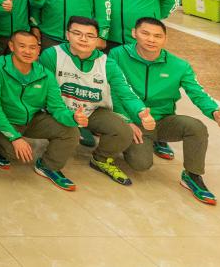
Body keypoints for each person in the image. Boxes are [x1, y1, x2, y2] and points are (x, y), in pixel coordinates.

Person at [110, 17, 220, 205]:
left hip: (163, 120)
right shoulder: (117, 55)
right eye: (145, 33)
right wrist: (126, 121)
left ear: (165, 39)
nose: (151, 39)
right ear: (134, 33)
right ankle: (128, 142)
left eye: (158, 36)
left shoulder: (179, 66)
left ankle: (192, 176)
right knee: (141, 164)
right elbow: (114, 91)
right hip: (134, 121)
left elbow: (198, 93)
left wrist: (214, 112)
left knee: (196, 127)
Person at [38, 16, 149, 186]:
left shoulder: (107, 63)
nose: (83, 39)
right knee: (70, 134)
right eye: (77, 33)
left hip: (92, 111)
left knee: (122, 131)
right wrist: (69, 117)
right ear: (67, 35)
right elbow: (47, 93)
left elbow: (125, 92)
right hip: (59, 110)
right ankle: (48, 164)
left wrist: (140, 111)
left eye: (90, 36)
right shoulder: (52, 55)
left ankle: (101, 159)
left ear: (97, 39)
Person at [0, 30, 80, 191]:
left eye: (32, 47)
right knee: (14, 154)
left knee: (71, 131)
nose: (28, 51)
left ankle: (48, 166)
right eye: (22, 46)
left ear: (38, 50)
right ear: (11, 46)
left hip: (31, 119)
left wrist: (73, 117)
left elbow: (57, 107)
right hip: (2, 119)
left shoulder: (45, 74)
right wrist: (14, 137)